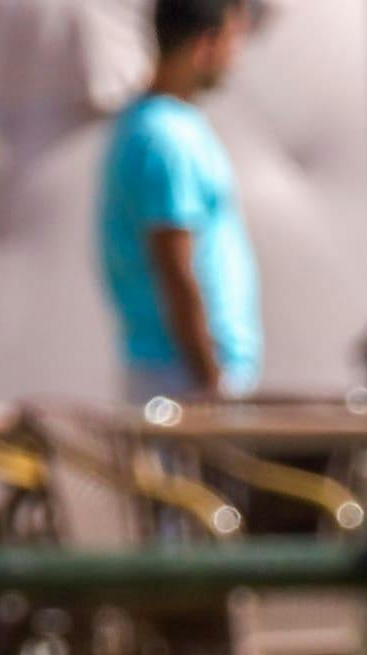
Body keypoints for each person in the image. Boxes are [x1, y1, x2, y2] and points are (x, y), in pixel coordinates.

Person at [101, 0, 262, 403]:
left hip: (183, 373)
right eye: (232, 41)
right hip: (184, 378)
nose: (236, 60)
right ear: (204, 45)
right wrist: (211, 381)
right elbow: (175, 269)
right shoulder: (166, 137)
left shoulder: (157, 124)